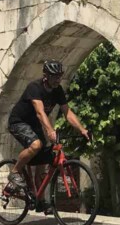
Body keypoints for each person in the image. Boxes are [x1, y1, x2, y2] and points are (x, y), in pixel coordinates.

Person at [7, 60, 89, 191]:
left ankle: (39, 198)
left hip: (35, 125)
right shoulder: (34, 87)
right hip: (19, 122)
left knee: (44, 159)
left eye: (59, 76)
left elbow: (67, 112)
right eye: (54, 76)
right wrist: (50, 131)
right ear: (46, 76)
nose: (58, 80)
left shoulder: (58, 90)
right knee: (36, 145)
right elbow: (40, 112)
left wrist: (82, 129)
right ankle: (15, 172)